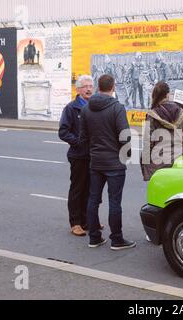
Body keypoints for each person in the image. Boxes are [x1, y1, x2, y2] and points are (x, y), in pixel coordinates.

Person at [80, 74, 136, 250]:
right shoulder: (117, 108)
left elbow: (83, 138)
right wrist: (126, 155)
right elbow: (125, 135)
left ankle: (94, 237)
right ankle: (117, 239)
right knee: (114, 202)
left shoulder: (87, 109)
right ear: (113, 87)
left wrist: (94, 151)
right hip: (114, 164)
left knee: (93, 200)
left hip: (96, 162)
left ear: (98, 86)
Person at [59, 75, 95, 237]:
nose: (89, 89)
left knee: (89, 190)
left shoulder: (94, 107)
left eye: (91, 86)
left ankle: (87, 220)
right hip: (78, 156)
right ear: (78, 89)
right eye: (85, 86)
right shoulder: (71, 108)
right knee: (77, 189)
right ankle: (75, 223)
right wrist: (78, 142)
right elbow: (63, 132)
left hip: (93, 155)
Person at [141, 81, 183, 182]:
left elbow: (147, 142)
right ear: (168, 95)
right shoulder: (181, 112)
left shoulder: (152, 115)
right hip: (178, 161)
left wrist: (146, 166)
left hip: (159, 163)